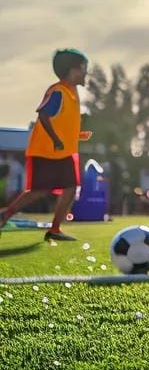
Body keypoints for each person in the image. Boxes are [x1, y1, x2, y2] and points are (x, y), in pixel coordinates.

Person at [0, 49, 92, 242]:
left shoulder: (72, 93)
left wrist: (76, 135)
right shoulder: (57, 91)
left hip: (64, 152)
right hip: (47, 151)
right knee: (39, 191)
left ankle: (55, 229)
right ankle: (5, 214)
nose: (86, 73)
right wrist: (56, 140)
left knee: (70, 187)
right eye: (84, 68)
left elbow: (63, 123)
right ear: (73, 70)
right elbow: (43, 114)